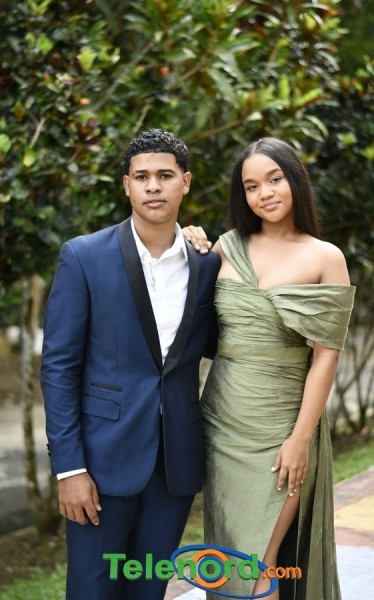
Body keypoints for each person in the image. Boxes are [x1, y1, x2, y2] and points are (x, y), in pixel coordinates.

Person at [40, 128, 221, 600]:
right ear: (126, 185)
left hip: (174, 465)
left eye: (165, 175)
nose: (153, 186)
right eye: (141, 177)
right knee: (92, 589)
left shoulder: (207, 264)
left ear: (185, 182)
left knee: (148, 588)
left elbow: (217, 344)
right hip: (100, 465)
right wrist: (69, 469)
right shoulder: (84, 257)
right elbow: (59, 368)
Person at [183, 137, 355, 599]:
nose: (265, 193)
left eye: (274, 179)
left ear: (295, 179)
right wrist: (189, 239)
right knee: (229, 558)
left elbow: (326, 357)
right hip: (221, 421)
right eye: (252, 186)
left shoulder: (325, 257)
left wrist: (299, 440)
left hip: (281, 428)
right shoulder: (227, 247)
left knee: (258, 560)